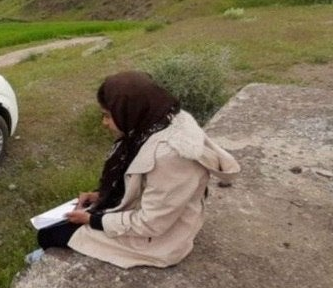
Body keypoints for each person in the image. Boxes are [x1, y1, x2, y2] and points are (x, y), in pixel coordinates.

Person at [33, 70, 239, 268]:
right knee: (57, 224)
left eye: (107, 115)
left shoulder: (172, 156)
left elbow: (152, 223)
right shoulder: (156, 121)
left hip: (160, 238)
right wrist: (101, 195)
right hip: (150, 212)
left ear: (129, 110)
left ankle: (43, 257)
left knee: (49, 234)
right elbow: (144, 182)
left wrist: (92, 219)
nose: (103, 123)